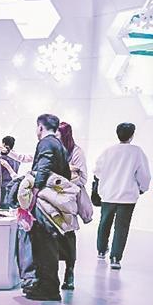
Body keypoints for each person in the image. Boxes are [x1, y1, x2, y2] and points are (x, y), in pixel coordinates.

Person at [25, 114, 71, 301]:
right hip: (54, 202)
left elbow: (43, 168)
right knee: (49, 244)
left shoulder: (46, 143)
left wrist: (34, 191)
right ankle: (45, 284)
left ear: (40, 127)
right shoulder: (59, 145)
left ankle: (48, 288)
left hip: (44, 202)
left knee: (43, 244)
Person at [94, 123, 151, 270]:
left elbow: (97, 171)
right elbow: (144, 175)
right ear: (132, 135)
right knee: (121, 228)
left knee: (104, 223)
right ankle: (115, 258)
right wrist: (142, 188)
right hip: (127, 196)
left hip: (108, 194)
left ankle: (101, 250)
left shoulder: (108, 151)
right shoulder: (137, 152)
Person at [56, 122, 88, 290]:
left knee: (68, 236)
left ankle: (69, 273)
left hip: (68, 201)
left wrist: (63, 179)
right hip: (51, 199)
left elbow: (83, 179)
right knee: (51, 236)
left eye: (57, 134)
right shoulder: (52, 149)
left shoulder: (76, 152)